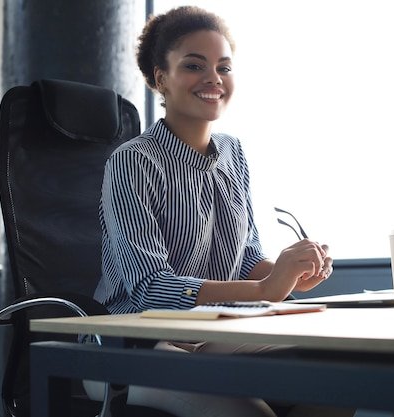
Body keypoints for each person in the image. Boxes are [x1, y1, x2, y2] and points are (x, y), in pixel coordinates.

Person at [92, 5, 350, 417]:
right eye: (195, 65)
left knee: (341, 380)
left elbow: (246, 260)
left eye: (224, 67)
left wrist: (289, 274)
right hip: (140, 344)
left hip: (215, 330)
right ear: (161, 78)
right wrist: (267, 291)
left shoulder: (234, 153)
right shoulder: (133, 162)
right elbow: (149, 289)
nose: (214, 78)